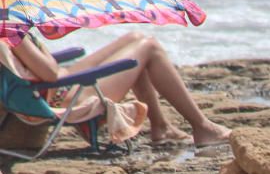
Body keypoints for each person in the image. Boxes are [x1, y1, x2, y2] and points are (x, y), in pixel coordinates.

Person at [10, 31, 230, 148]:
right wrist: (24, 35)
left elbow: (43, 70)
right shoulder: (9, 32)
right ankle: (202, 128)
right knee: (149, 47)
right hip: (65, 98)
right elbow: (50, 73)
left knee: (134, 39)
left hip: (55, 87)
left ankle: (162, 127)